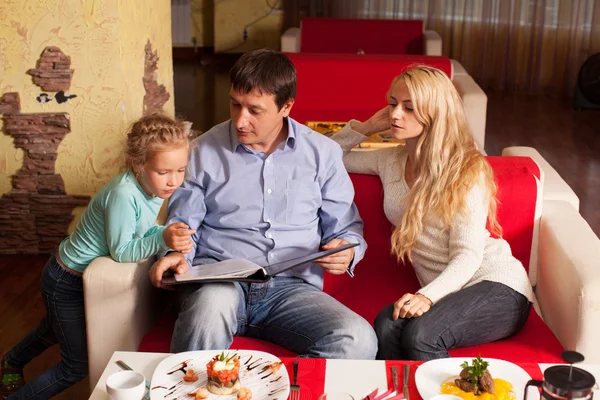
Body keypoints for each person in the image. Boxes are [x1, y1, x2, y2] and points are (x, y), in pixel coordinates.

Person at [148, 49, 377, 359]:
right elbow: (184, 225)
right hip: (220, 282)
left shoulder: (322, 153)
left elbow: (347, 228)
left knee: (358, 338)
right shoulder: (201, 151)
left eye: (254, 110)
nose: (241, 120)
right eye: (235, 104)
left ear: (286, 106)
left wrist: (347, 251)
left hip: (292, 289)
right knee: (207, 313)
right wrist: (174, 253)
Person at [330, 66, 534, 360]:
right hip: (448, 293)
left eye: (409, 108)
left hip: (497, 286)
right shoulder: (391, 159)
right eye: (392, 104)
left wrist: (426, 296)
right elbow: (328, 158)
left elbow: (469, 255)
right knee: (386, 326)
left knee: (421, 336)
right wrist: (367, 127)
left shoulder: (466, 169)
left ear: (434, 113)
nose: (396, 114)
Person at [0, 114, 194, 399]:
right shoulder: (124, 194)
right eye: (164, 172)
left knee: (53, 331)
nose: (174, 181)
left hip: (76, 278)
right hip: (64, 280)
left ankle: (11, 362)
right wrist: (162, 237)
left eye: (181, 170)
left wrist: (165, 234)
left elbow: (137, 230)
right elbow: (122, 251)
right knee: (75, 365)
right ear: (138, 164)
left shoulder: (150, 187)